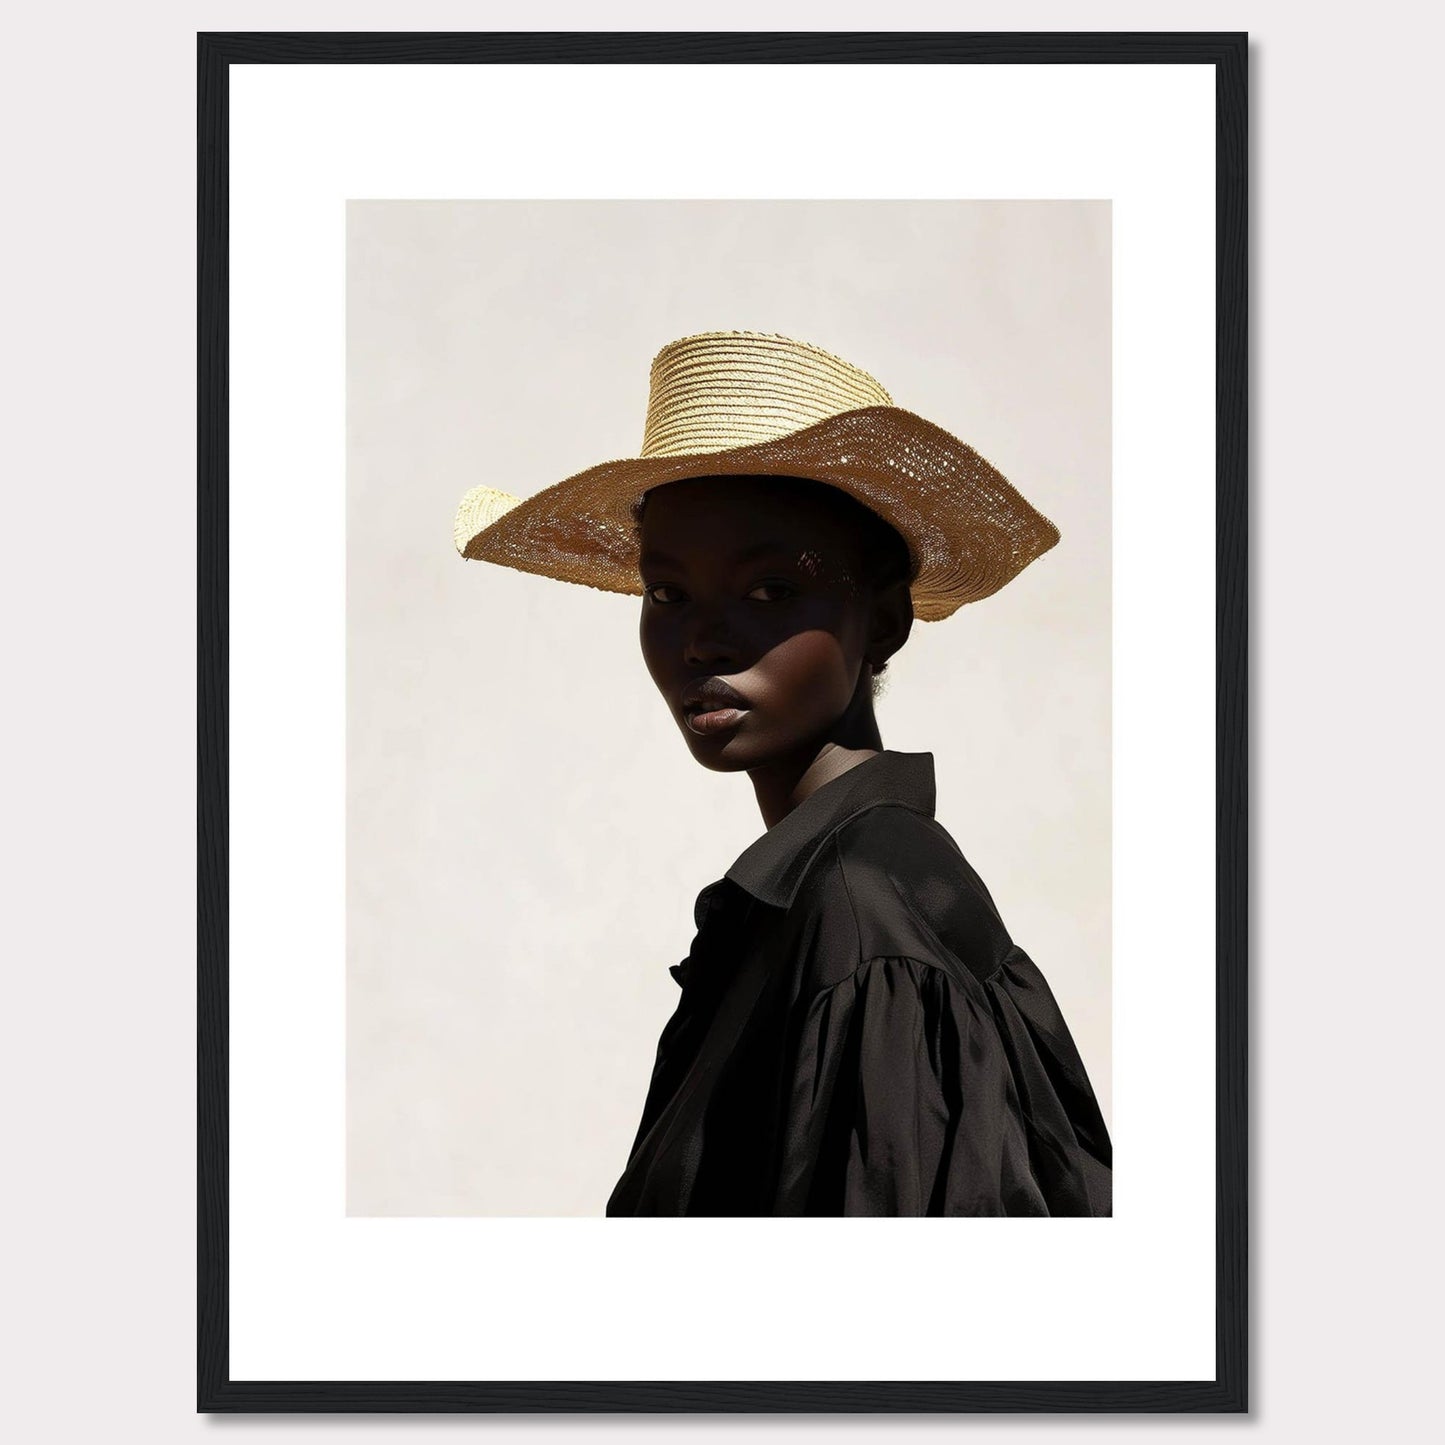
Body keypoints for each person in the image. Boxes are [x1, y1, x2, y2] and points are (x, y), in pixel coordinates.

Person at [454, 330, 1112, 1216]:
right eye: (666, 593)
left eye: (767, 591)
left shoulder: (863, 913)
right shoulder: (828, 893)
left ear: (882, 620)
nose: (702, 640)